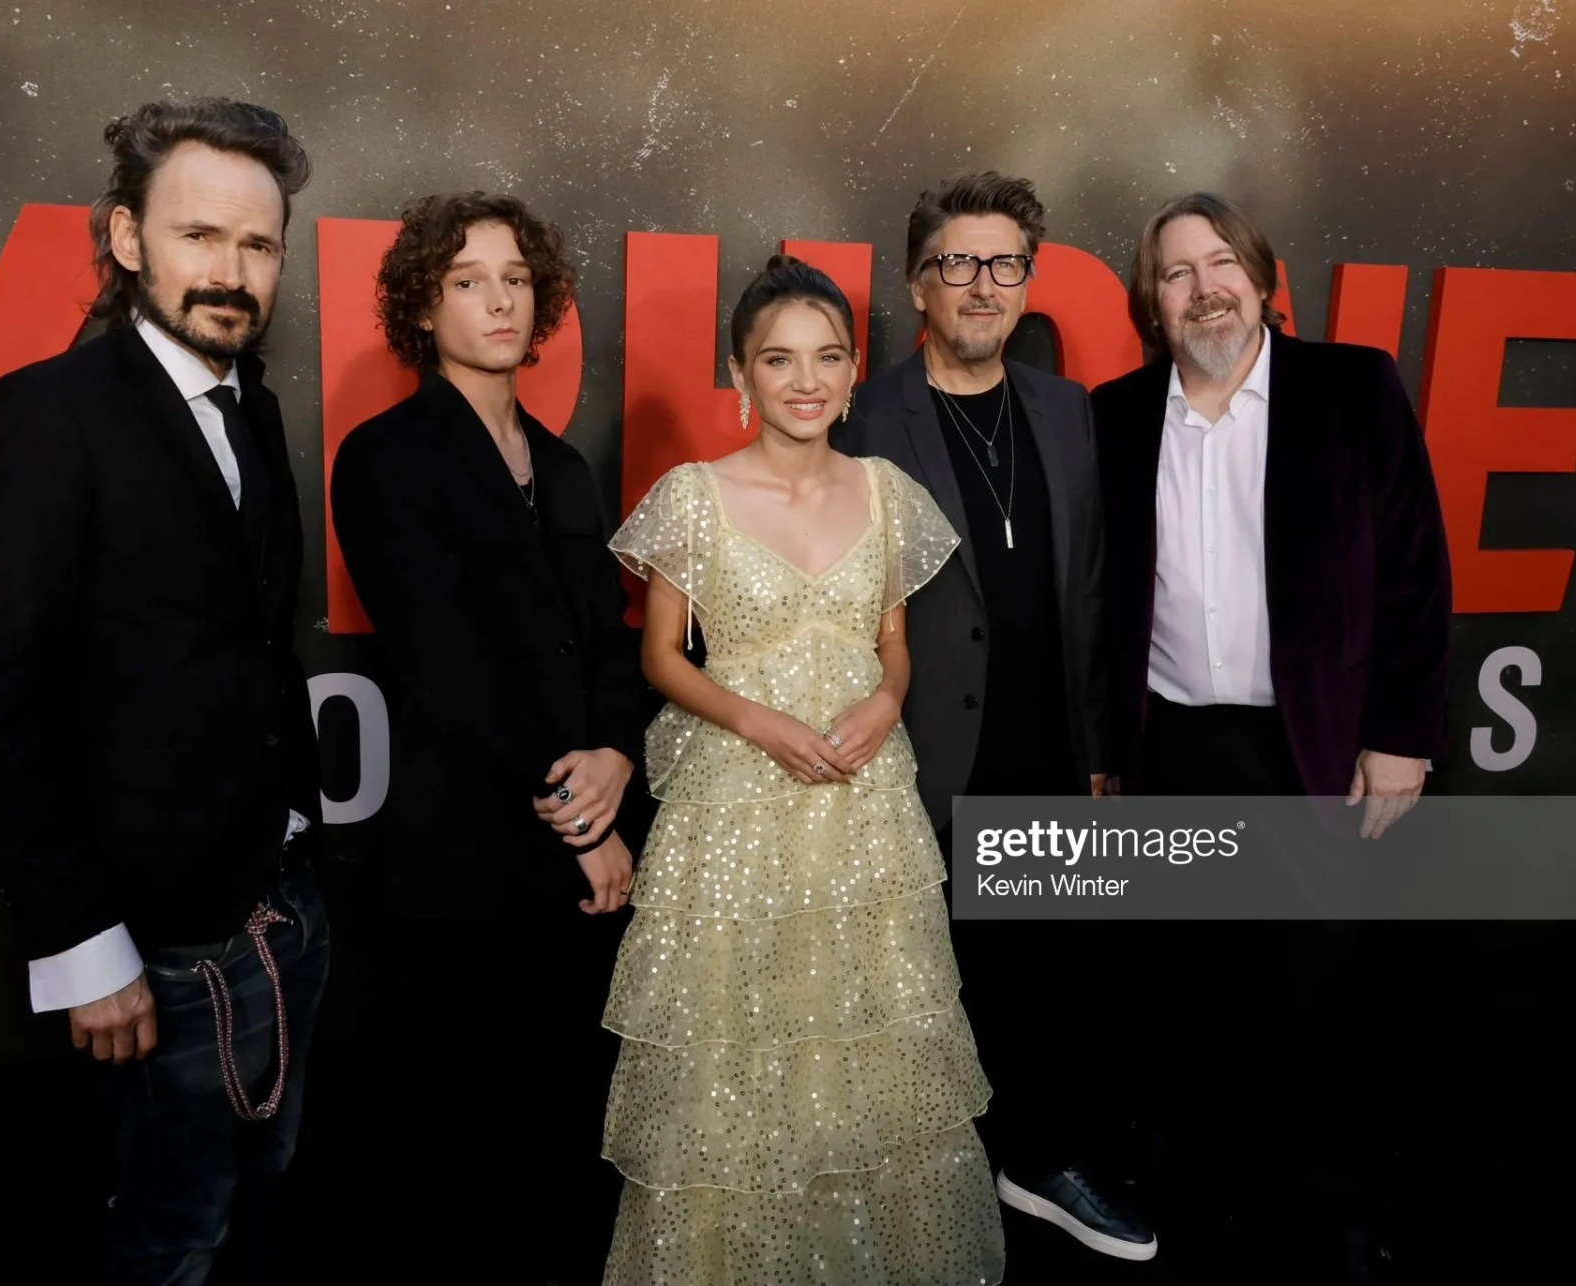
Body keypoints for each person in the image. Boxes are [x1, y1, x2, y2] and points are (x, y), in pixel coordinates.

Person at [0, 98, 326, 1285]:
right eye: (198, 236)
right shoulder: (45, 415)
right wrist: (80, 944)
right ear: (126, 239)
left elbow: (244, 651)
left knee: (261, 1203)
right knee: (168, 1238)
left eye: (258, 245)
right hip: (148, 949)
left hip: (281, 910)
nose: (230, 271)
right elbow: (6, 701)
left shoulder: (250, 406)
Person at [599, 255, 1006, 1285]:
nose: (806, 378)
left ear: (855, 367)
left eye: (828, 355)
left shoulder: (887, 490)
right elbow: (659, 656)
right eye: (779, 358)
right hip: (737, 803)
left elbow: (894, 639)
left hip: (865, 801)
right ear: (742, 371)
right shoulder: (693, 496)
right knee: (742, 1046)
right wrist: (762, 722)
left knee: (866, 1032)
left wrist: (882, 698)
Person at [1090, 191, 1454, 1280]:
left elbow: (1415, 571)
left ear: (1262, 277)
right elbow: (1095, 601)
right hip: (1170, 750)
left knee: (1322, 994)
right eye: (1175, 271)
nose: (1203, 287)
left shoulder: (1350, 388)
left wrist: (1400, 733)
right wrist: (1106, 745)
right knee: (1172, 991)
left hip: (1317, 746)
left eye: (1221, 263)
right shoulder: (1111, 413)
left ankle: (1337, 1206)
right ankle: (1179, 1196)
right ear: (1150, 303)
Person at [328, 191, 650, 1284]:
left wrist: (617, 754)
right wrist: (579, 821)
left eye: (515, 277)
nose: (499, 298)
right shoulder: (384, 457)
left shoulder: (562, 468)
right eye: (469, 279)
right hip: (470, 848)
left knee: (560, 1118)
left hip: (583, 848)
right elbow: (449, 666)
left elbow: (608, 639)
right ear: (423, 304)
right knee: (458, 1124)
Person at [833, 171, 1155, 1263]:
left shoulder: (1066, 409)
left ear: (1028, 280)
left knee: (1063, 969)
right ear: (917, 283)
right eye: (956, 263)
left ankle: (1046, 1160)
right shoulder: (865, 414)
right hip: (928, 753)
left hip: (1055, 743)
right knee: (936, 984)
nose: (981, 283)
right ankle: (934, 1192)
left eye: (1003, 263)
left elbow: (1098, 588)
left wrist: (1103, 746)